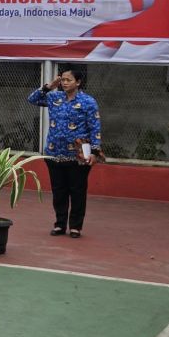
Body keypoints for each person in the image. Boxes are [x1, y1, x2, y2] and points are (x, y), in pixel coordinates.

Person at [28, 65, 103, 238]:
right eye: (62, 79)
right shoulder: (55, 97)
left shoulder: (88, 102)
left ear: (78, 82)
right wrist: (49, 86)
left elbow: (95, 128)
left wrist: (94, 152)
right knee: (59, 191)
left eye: (68, 80)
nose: (65, 83)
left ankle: (76, 226)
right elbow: (32, 99)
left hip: (78, 155)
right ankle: (60, 224)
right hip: (54, 152)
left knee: (77, 190)